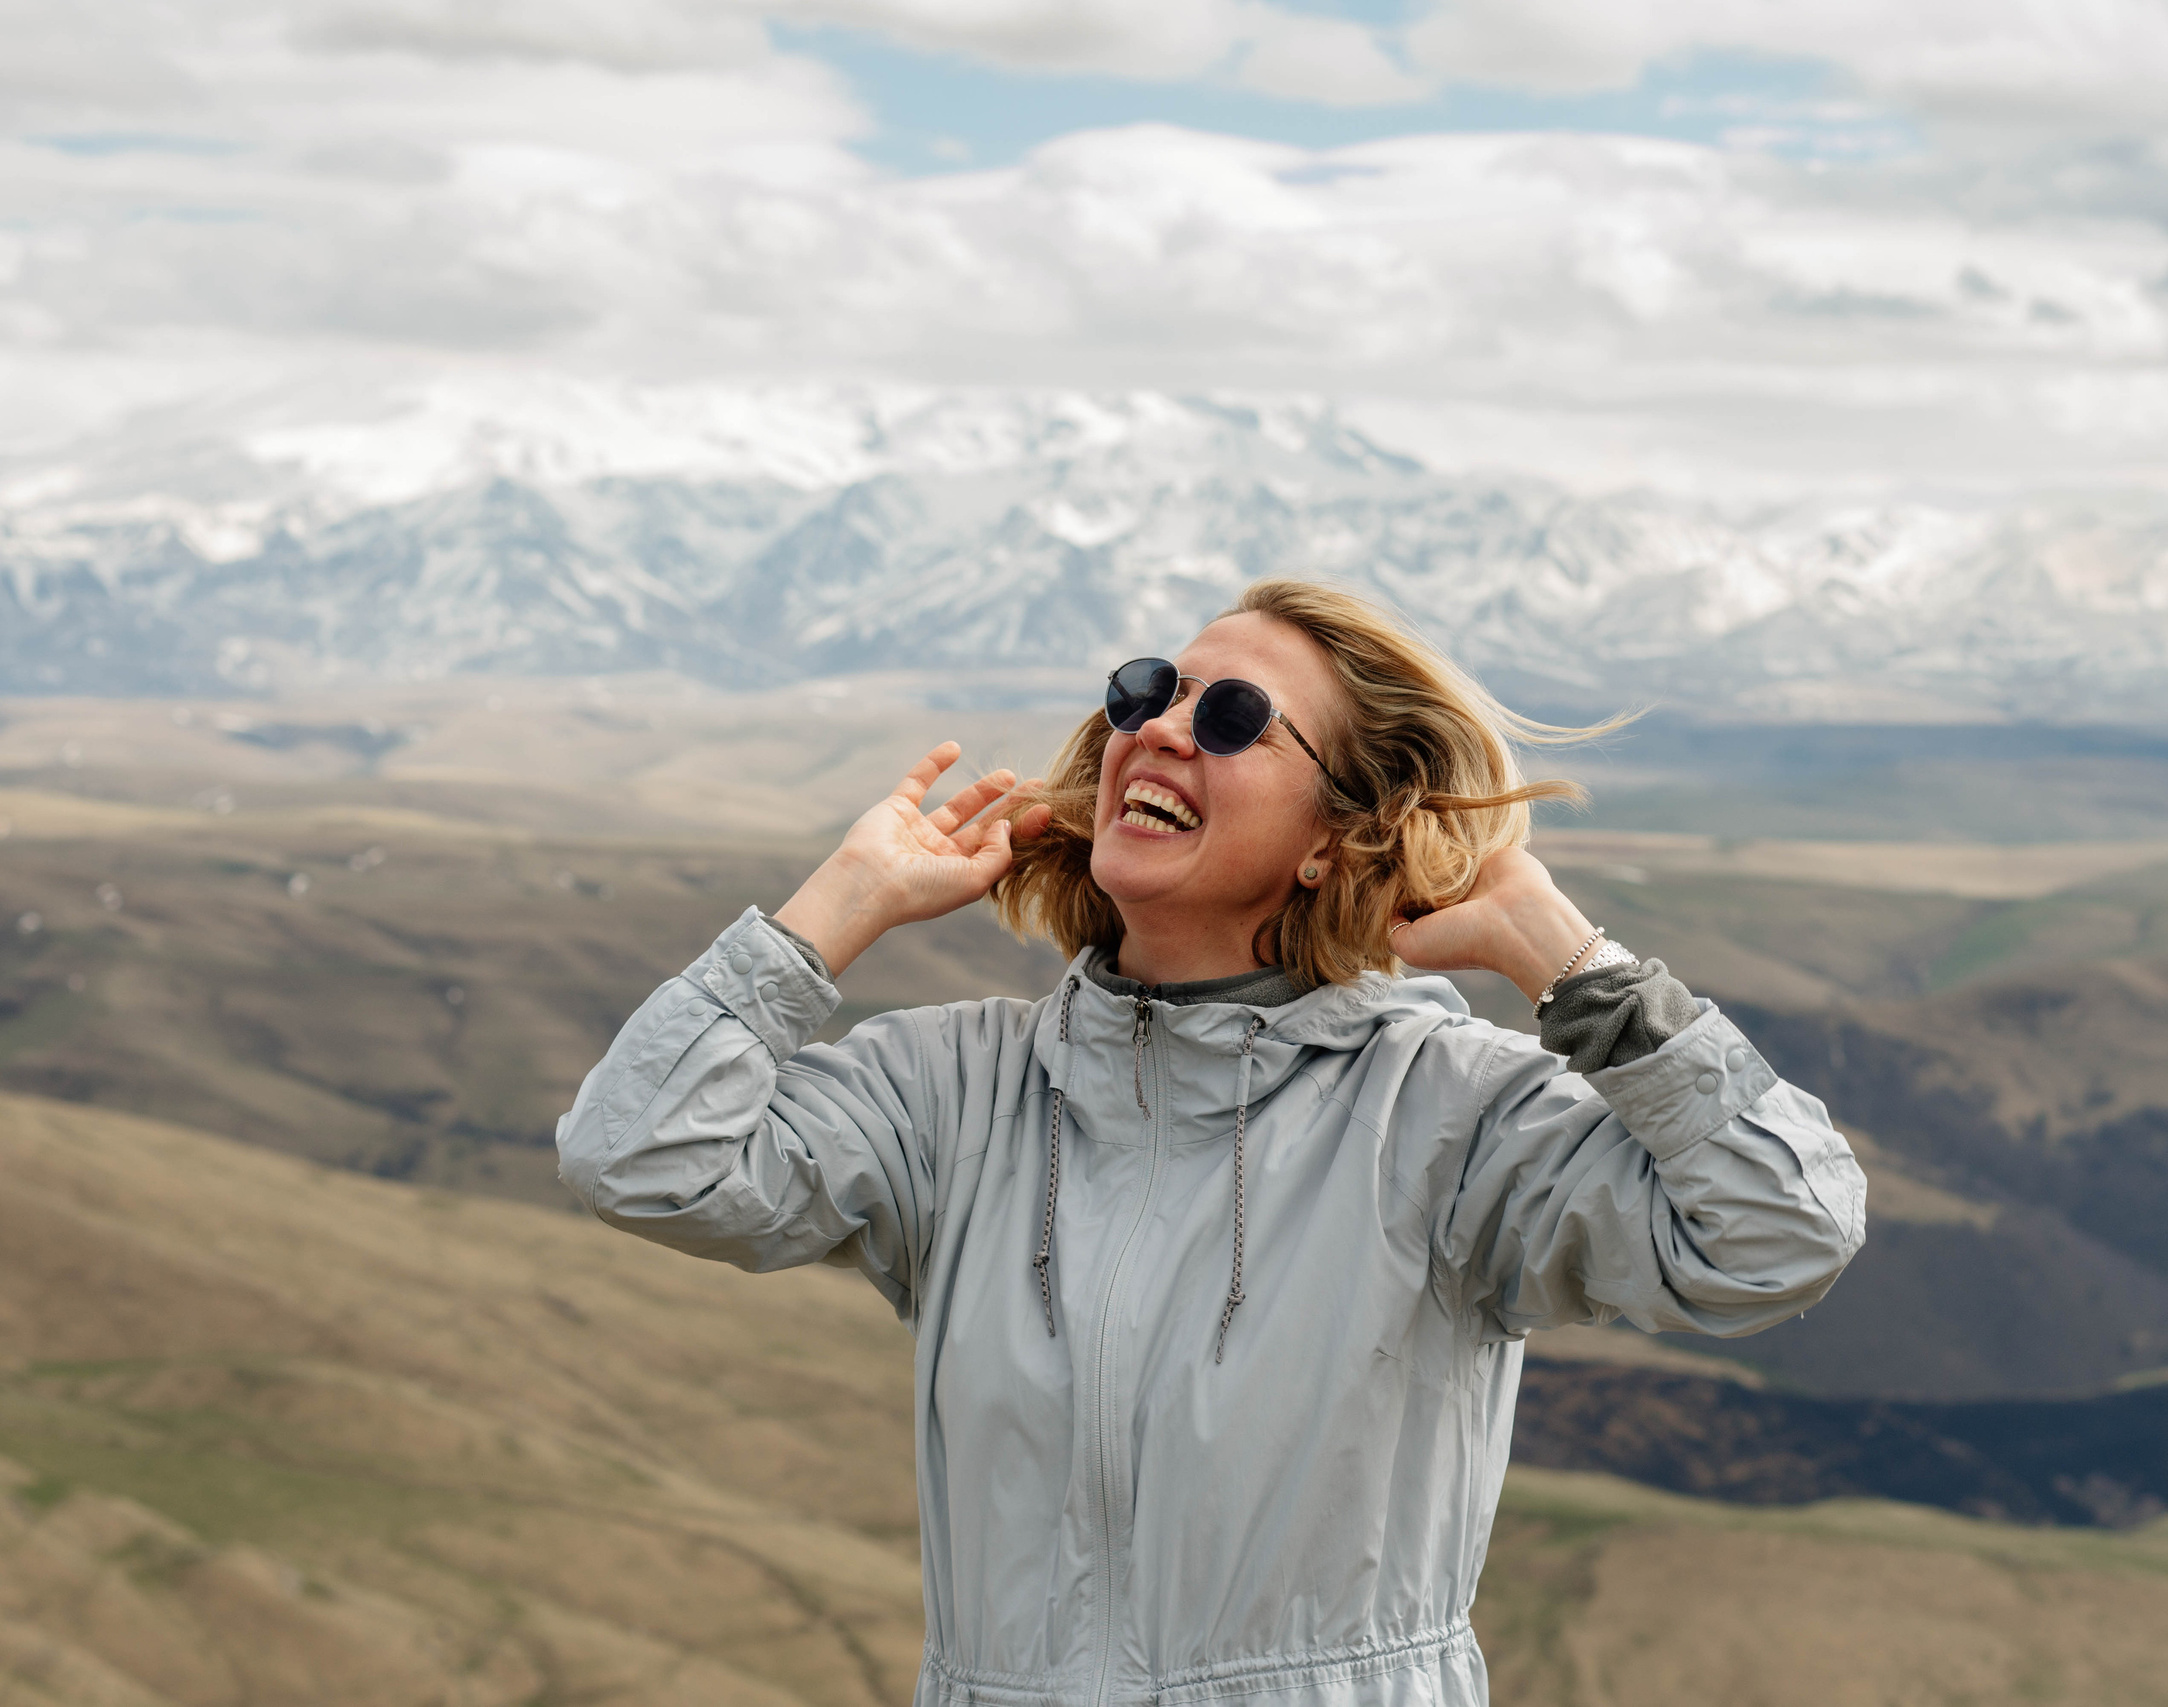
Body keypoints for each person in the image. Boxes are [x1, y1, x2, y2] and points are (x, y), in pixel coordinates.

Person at [556, 579, 1866, 1707]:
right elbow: (640, 1155)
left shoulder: (1447, 1114)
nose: (1161, 731)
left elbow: (1781, 1226)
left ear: (1333, 835)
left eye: (1232, 717)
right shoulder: (955, 1094)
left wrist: (1565, 960)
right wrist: (833, 911)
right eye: (1145, 693)